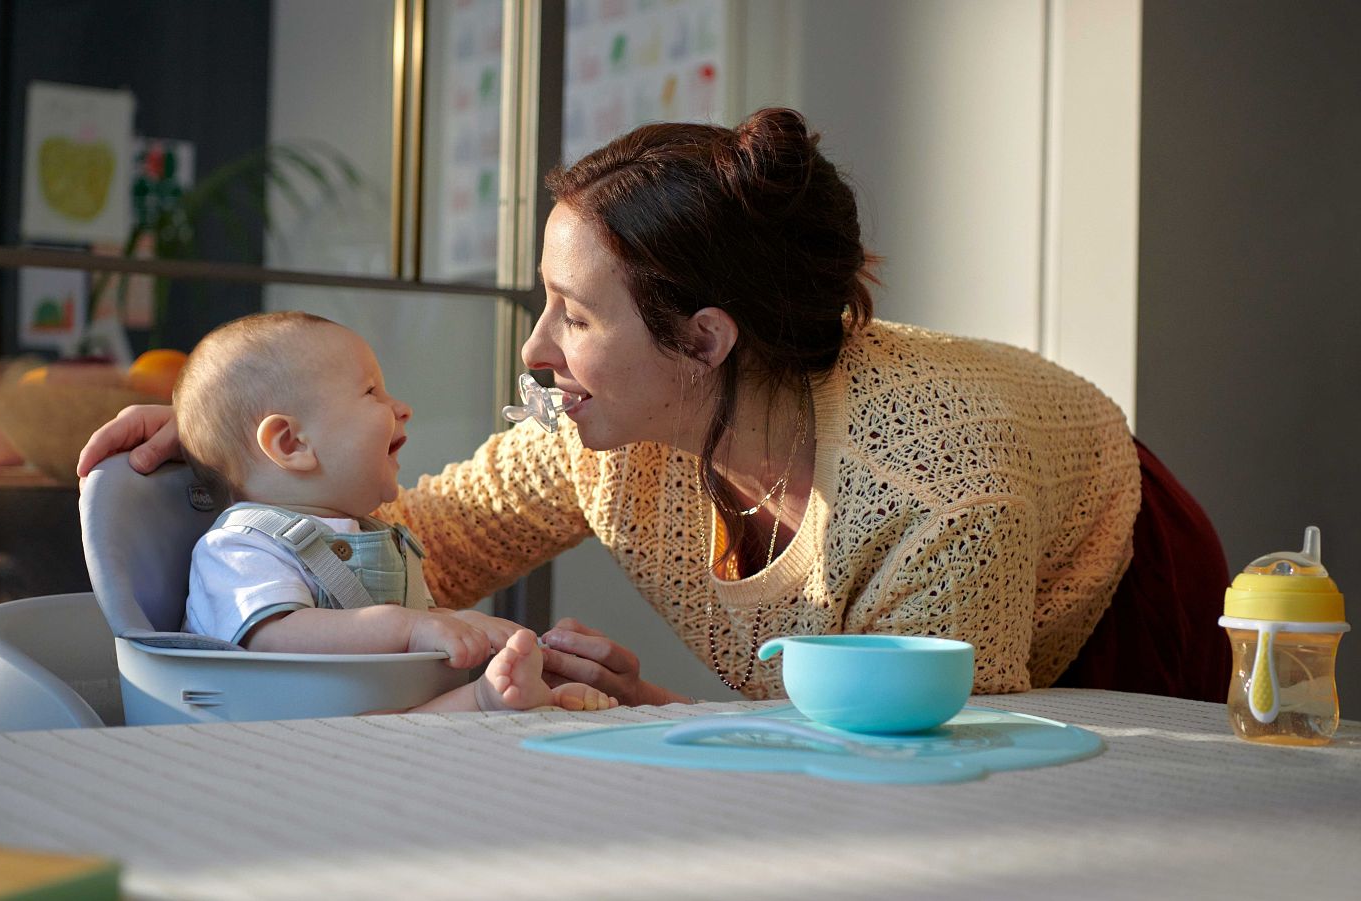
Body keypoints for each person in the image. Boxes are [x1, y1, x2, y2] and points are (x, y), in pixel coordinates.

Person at [81, 107, 1229, 705]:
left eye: (572, 316)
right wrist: (229, 438)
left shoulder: (936, 493)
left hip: (1109, 586)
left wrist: (668, 710)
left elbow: (924, 758)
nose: (536, 353)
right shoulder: (597, 436)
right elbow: (396, 547)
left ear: (703, 340)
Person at [173, 309, 616, 714]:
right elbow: (272, 639)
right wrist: (407, 628)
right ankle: (496, 702)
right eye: (371, 392)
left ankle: (501, 698)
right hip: (273, 729)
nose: (402, 408)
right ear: (292, 444)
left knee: (455, 709)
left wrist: (468, 626)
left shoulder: (378, 534)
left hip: (365, 721)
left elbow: (414, 623)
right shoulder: (238, 547)